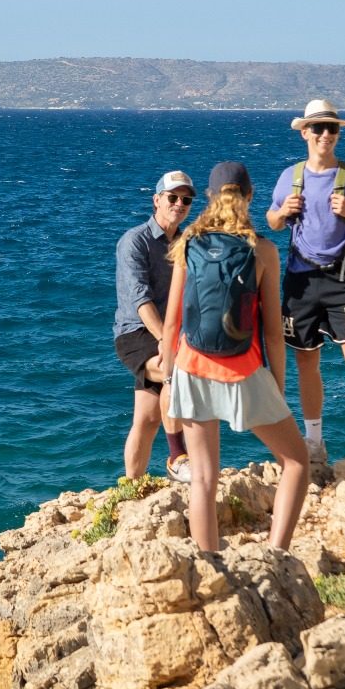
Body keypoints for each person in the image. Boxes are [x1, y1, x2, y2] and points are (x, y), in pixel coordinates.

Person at [158, 161, 310, 551]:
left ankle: (208, 566)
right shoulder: (263, 250)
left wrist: (173, 379)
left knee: (204, 478)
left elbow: (172, 323)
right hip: (243, 371)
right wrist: (276, 385)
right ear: (251, 197)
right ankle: (277, 554)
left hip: (191, 368)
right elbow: (274, 334)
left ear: (209, 198)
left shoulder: (188, 242)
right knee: (295, 463)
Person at [265, 99, 345, 472]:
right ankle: (315, 442)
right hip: (301, 280)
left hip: (342, 278)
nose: (325, 134)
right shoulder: (290, 177)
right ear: (304, 133)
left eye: (332, 128)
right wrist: (281, 212)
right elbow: (272, 222)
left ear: (338, 134)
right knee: (306, 361)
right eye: (318, 128)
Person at [114, 170, 196, 482]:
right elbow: (140, 300)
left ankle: (131, 486)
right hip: (136, 333)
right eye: (172, 197)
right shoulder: (135, 241)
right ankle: (178, 457)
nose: (179, 203)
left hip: (171, 334)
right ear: (157, 200)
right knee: (175, 373)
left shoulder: (187, 243)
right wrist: (167, 341)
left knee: (147, 419)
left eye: (186, 200)